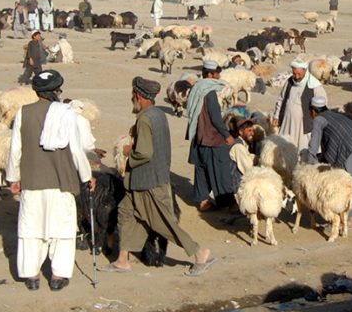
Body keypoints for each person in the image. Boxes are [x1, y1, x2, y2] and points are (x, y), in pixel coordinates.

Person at [104, 77, 214, 276]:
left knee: (162, 222)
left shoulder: (145, 119)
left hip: (148, 181)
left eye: (133, 97)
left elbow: (144, 152)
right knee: (126, 212)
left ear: (138, 96)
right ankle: (122, 260)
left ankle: (199, 252)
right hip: (148, 178)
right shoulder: (157, 114)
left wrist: (129, 152)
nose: (132, 100)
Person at [6, 70, 94, 291]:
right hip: (61, 182)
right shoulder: (67, 114)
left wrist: (12, 177)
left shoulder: (23, 113)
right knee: (62, 230)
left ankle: (31, 275)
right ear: (55, 91)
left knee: (31, 228)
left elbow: (15, 149)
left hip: (32, 180)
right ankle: (58, 276)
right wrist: (87, 176)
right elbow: (76, 150)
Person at [306, 95, 352, 222]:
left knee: (343, 183)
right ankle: (350, 218)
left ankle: (341, 218)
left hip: (349, 151)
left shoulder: (319, 119)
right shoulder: (334, 114)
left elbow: (314, 144)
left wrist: (310, 165)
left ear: (313, 111)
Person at [186, 60, 235, 211]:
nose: (219, 76)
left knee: (202, 169)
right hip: (212, 138)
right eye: (217, 73)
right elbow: (215, 118)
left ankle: (202, 200)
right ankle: (229, 203)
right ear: (210, 74)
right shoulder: (210, 92)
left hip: (199, 137)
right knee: (221, 170)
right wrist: (226, 135)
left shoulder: (197, 88)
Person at [272, 59, 326, 155]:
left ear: (305, 71)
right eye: (294, 73)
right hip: (287, 123)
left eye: (299, 74)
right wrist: (276, 115)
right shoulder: (289, 82)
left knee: (302, 151)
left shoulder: (315, 85)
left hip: (304, 126)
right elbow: (281, 99)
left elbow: (322, 106)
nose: (296, 76)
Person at [230, 119, 264, 191]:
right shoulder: (238, 147)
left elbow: (249, 156)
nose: (252, 133)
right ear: (241, 132)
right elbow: (248, 169)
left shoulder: (243, 145)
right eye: (249, 131)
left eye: (253, 131)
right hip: (235, 188)